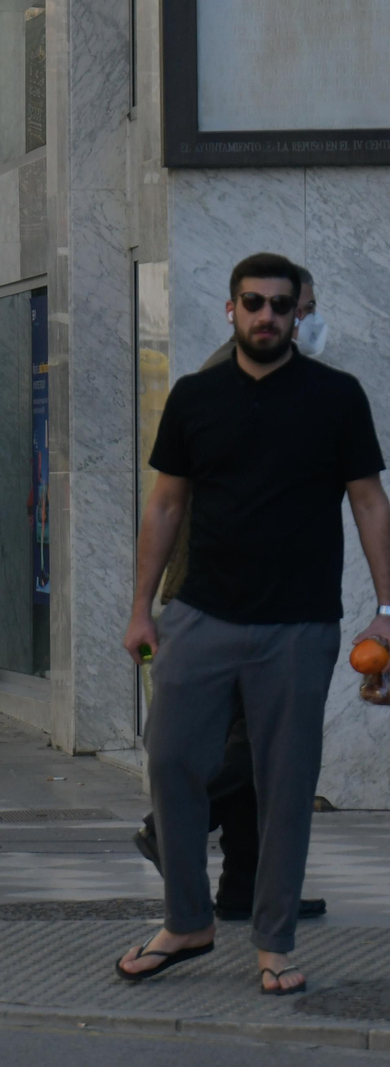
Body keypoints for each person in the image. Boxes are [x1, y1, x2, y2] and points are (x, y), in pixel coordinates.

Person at [118, 253, 390, 996]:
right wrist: (143, 607)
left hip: (300, 623)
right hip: (201, 612)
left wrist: (388, 612)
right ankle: (187, 920)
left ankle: (273, 940)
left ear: (298, 313)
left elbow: (369, 502)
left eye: (280, 305)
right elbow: (166, 505)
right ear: (231, 309)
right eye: (253, 303)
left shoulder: (337, 398)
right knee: (172, 758)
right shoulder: (196, 398)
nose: (267, 316)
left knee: (285, 783)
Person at [134, 266, 326, 923]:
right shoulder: (233, 383)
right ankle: (178, 821)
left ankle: (247, 882)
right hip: (224, 591)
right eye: (303, 307)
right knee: (255, 737)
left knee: (259, 733)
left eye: (297, 308)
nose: (299, 319)